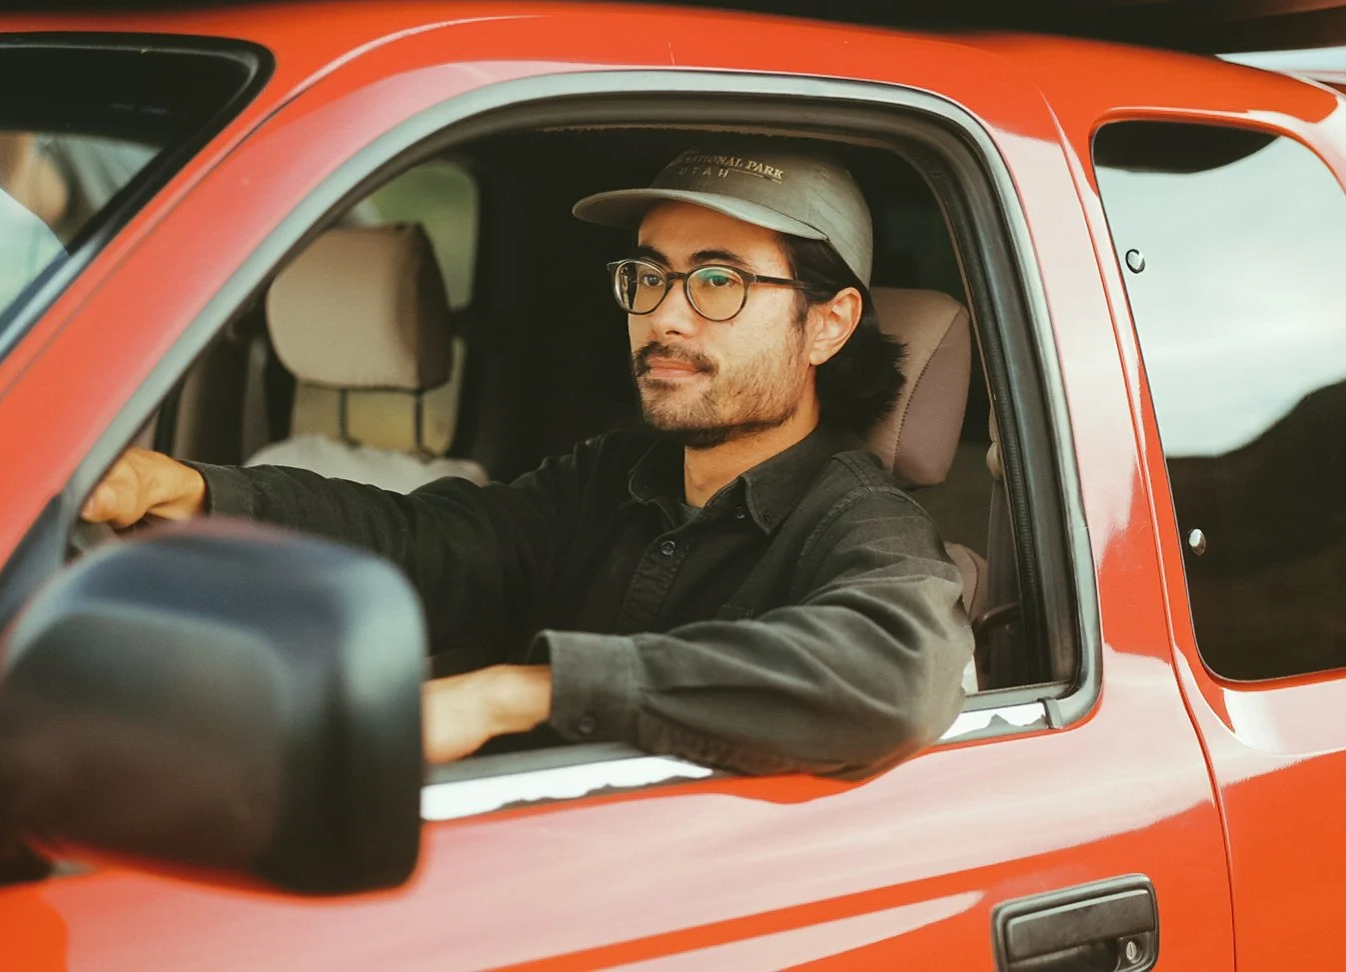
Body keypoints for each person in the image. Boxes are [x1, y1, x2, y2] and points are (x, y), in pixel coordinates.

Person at [81, 145, 972, 778]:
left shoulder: (864, 527)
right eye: (649, 275)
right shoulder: (612, 477)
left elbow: (895, 674)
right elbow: (428, 540)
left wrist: (514, 694)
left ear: (827, 323)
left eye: (717, 280)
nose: (664, 315)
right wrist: (193, 491)